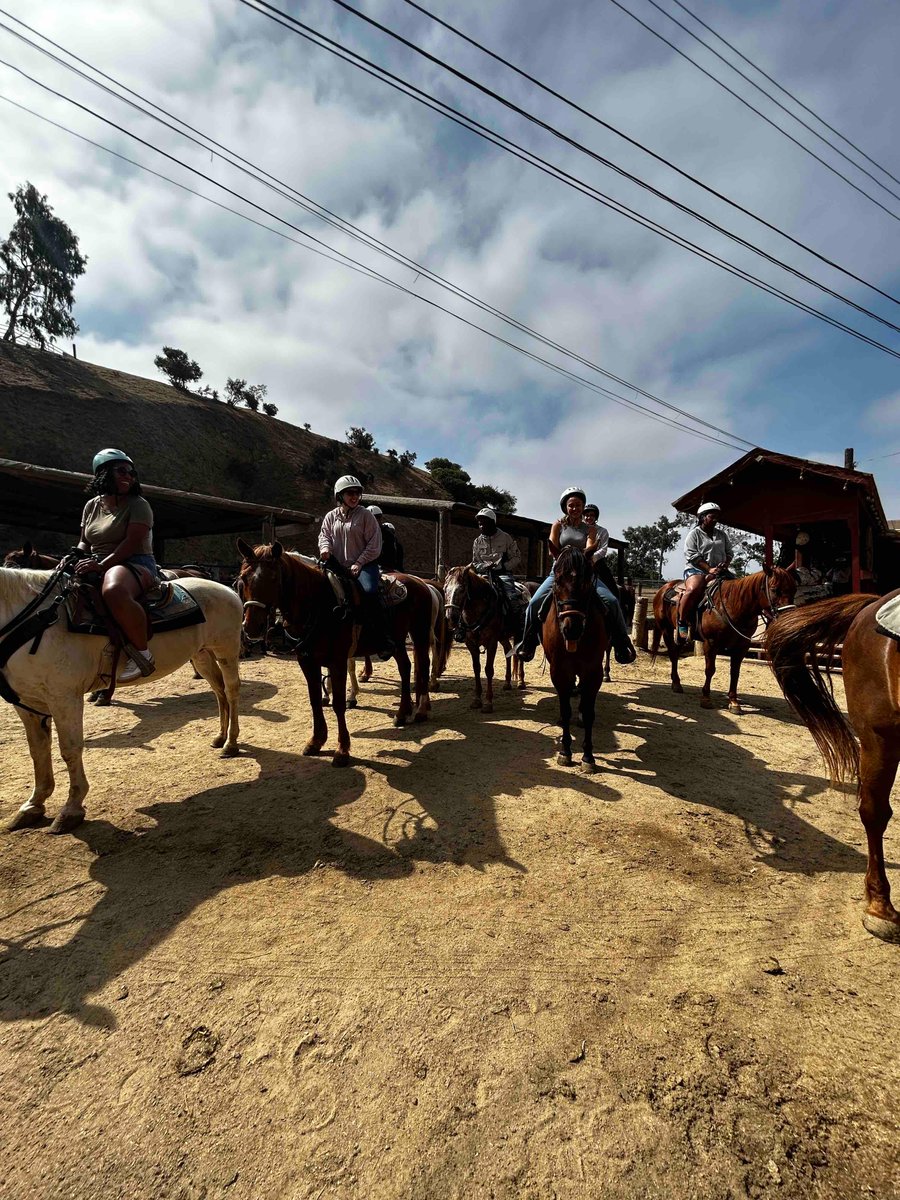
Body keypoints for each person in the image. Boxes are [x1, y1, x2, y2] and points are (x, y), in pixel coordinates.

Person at [513, 486, 636, 664]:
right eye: (571, 505)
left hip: (584, 573)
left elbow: (589, 547)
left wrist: (581, 554)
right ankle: (528, 642)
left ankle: (621, 643)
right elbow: (552, 548)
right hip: (560, 572)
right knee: (533, 603)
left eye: (578, 505)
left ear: (583, 506)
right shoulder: (557, 525)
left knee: (612, 601)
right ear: (565, 507)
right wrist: (565, 555)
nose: (575, 508)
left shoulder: (590, 529)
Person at [75, 448, 159, 682]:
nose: (129, 476)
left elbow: (132, 542)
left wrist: (100, 565)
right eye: (121, 470)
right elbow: (84, 540)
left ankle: (143, 654)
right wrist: (74, 556)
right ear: (103, 474)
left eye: (131, 472)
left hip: (134, 561)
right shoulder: (91, 506)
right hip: (97, 561)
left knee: (114, 590)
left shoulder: (139, 504)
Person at [319, 476, 394, 659]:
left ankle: (383, 639)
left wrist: (359, 563)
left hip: (365, 565)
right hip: (337, 565)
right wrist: (325, 549)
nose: (354, 496)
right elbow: (324, 535)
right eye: (350, 493)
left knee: (369, 591)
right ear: (340, 495)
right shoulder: (330, 516)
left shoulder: (366, 516)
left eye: (357, 493)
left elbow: (374, 545)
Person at [676, 501, 734, 643]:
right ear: (702, 517)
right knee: (693, 589)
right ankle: (682, 622)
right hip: (696, 569)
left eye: (716, 517)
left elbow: (729, 553)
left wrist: (725, 565)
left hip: (719, 570)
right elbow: (692, 555)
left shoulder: (722, 535)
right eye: (711, 516)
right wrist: (709, 569)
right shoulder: (694, 534)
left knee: (737, 587)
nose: (715, 520)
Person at [471, 507, 526, 631]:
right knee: (467, 593)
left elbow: (516, 557)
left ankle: (518, 624)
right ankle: (462, 627)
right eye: (479, 523)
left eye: (484, 522)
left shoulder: (506, 538)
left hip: (503, 574)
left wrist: (503, 566)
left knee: (511, 595)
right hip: (483, 574)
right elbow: (475, 562)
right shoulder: (477, 542)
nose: (481, 525)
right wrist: (483, 567)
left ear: (492, 522)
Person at [367, 505, 405, 572]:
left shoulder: (387, 535)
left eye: (377, 518)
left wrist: (384, 567)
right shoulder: (360, 531)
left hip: (381, 567)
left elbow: (390, 555)